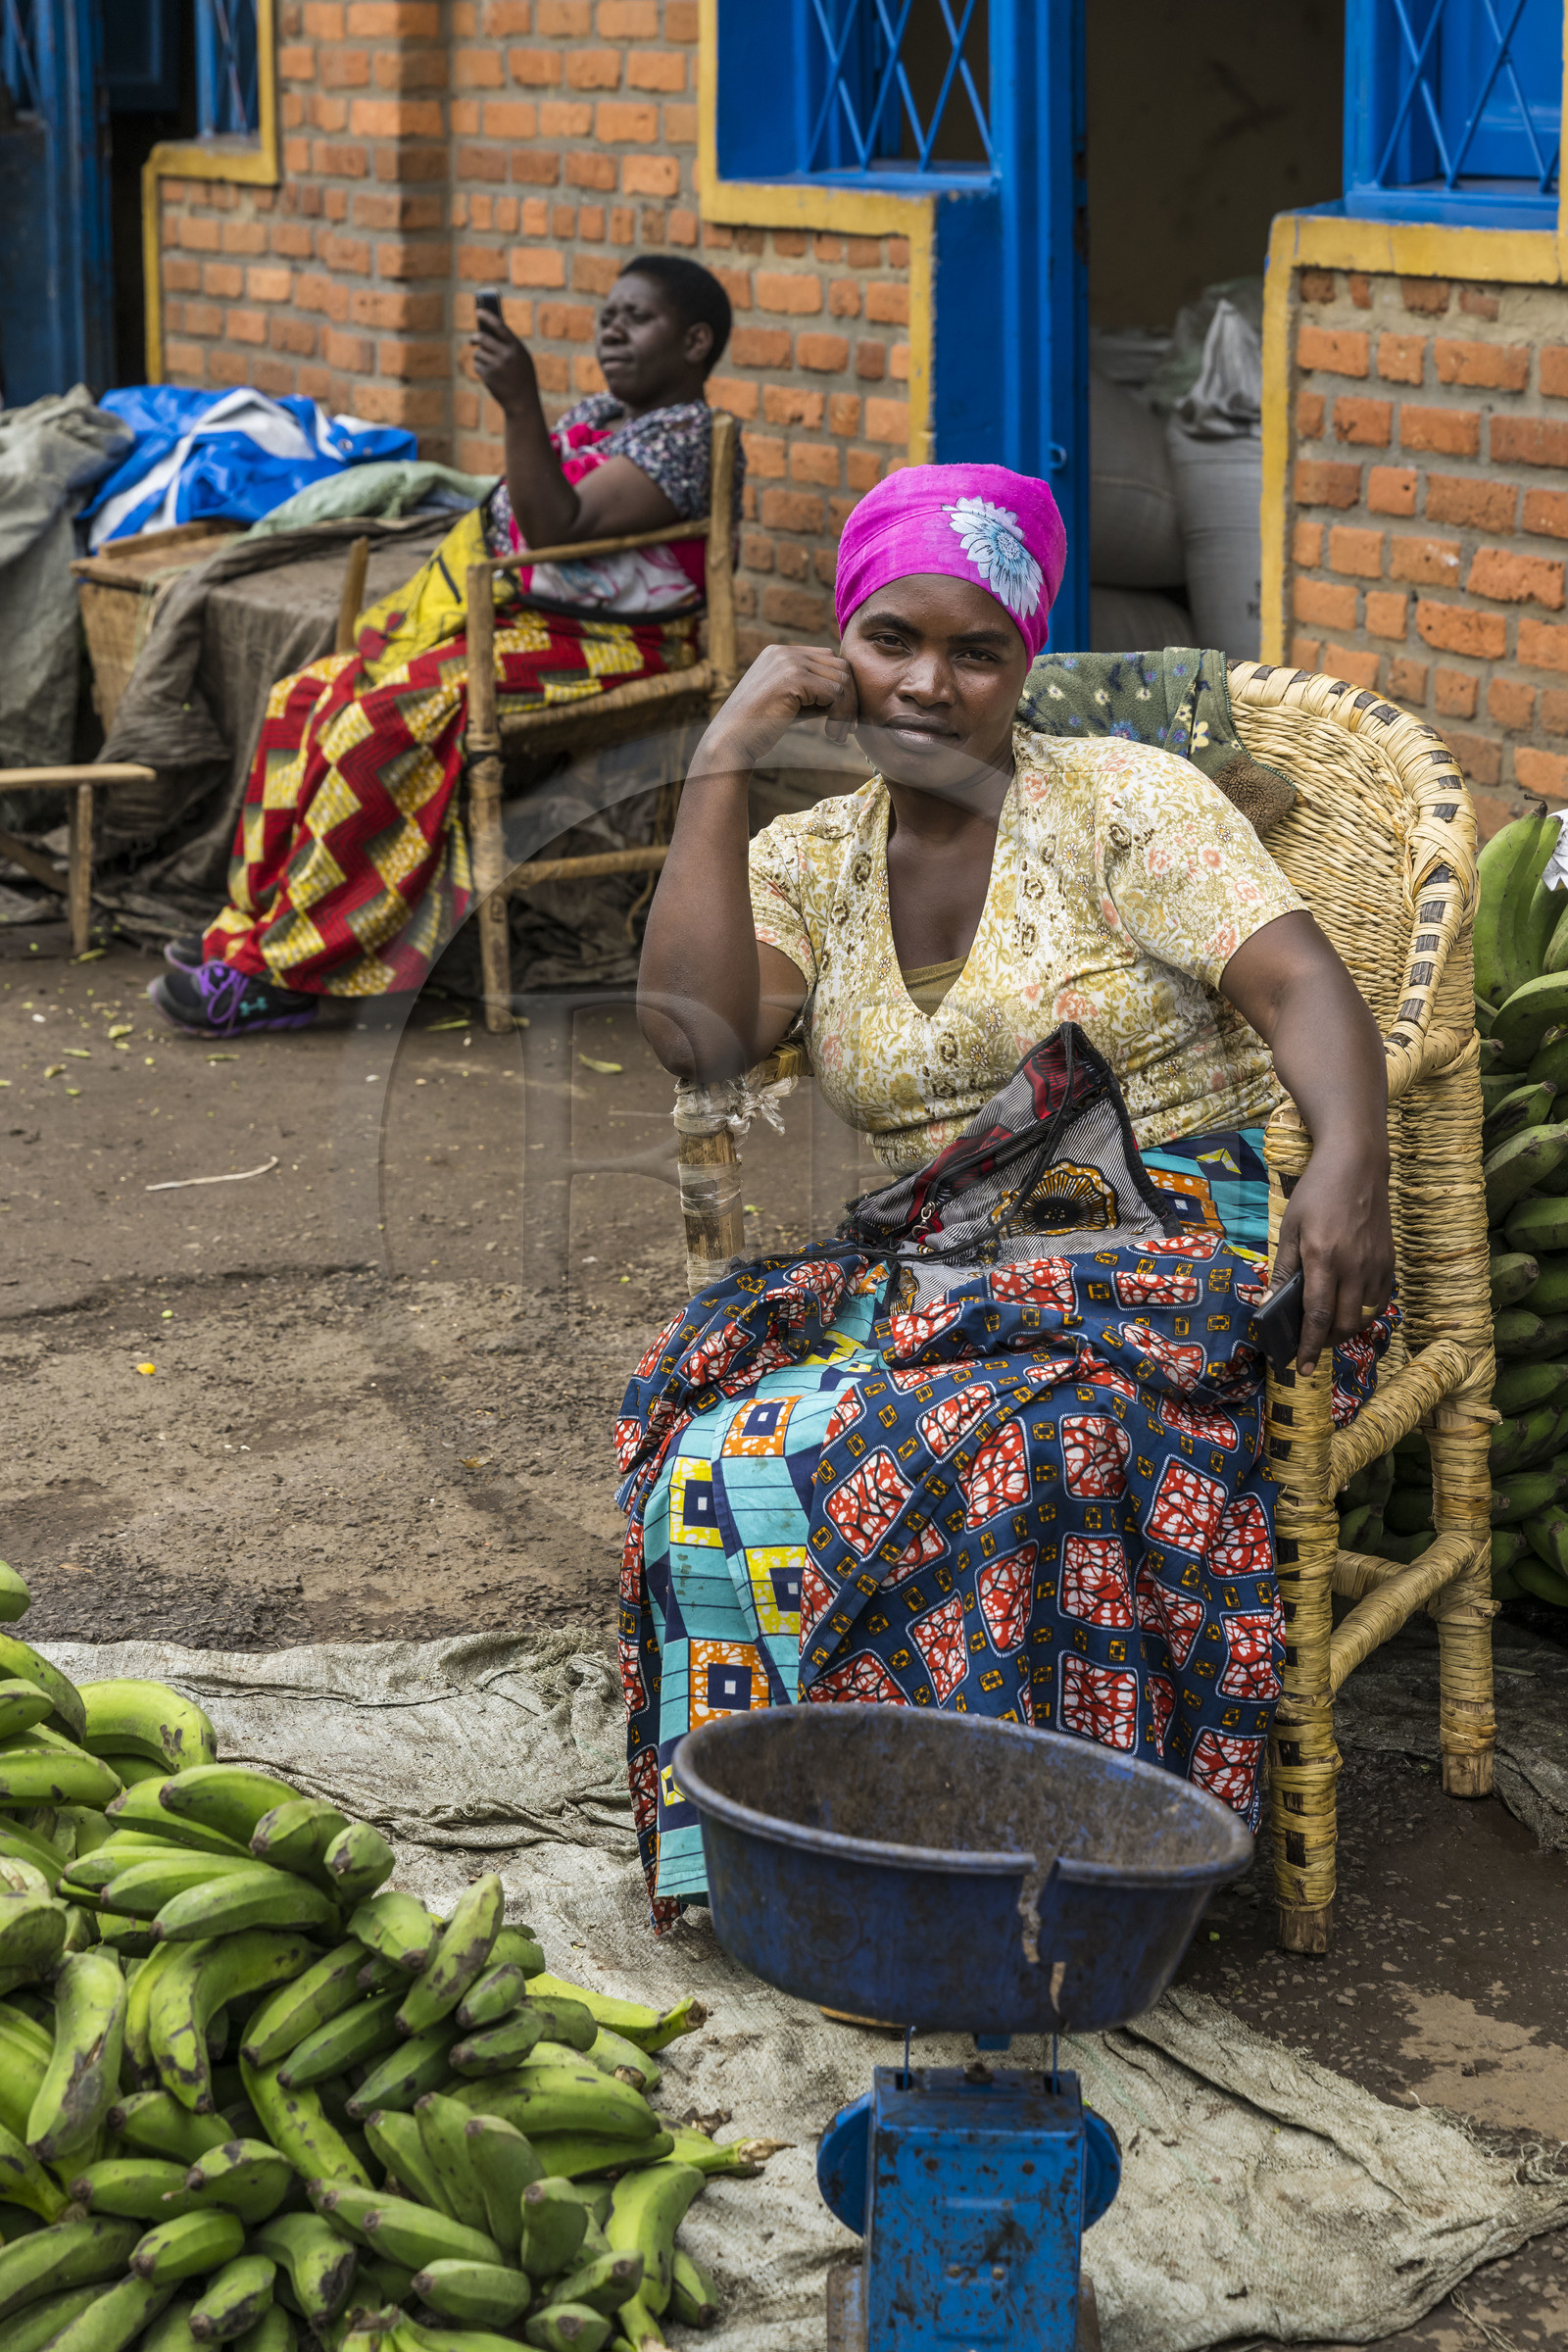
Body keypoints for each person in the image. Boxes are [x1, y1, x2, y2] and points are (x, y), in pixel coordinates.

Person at [616, 462, 1396, 1923]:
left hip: (1169, 1258)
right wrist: (723, 756)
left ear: (1023, 663)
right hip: (951, 1278)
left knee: (1009, 1450)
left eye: (976, 652)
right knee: (711, 1447)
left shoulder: (1121, 803)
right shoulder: (809, 861)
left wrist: (1349, 1159)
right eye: (892, 640)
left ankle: (1044, 1881)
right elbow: (699, 1034)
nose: (928, 683)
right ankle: (799, 1850)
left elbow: (1295, 980)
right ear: (838, 647)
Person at [150, 255, 742, 1038]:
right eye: (609, 314)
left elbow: (553, 529)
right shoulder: (603, 417)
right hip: (519, 622)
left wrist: (520, 403)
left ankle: (301, 972)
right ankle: (260, 928)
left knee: (385, 723)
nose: (611, 330)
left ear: (696, 341)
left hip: (616, 647)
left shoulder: (688, 437)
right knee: (305, 698)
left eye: (638, 317)